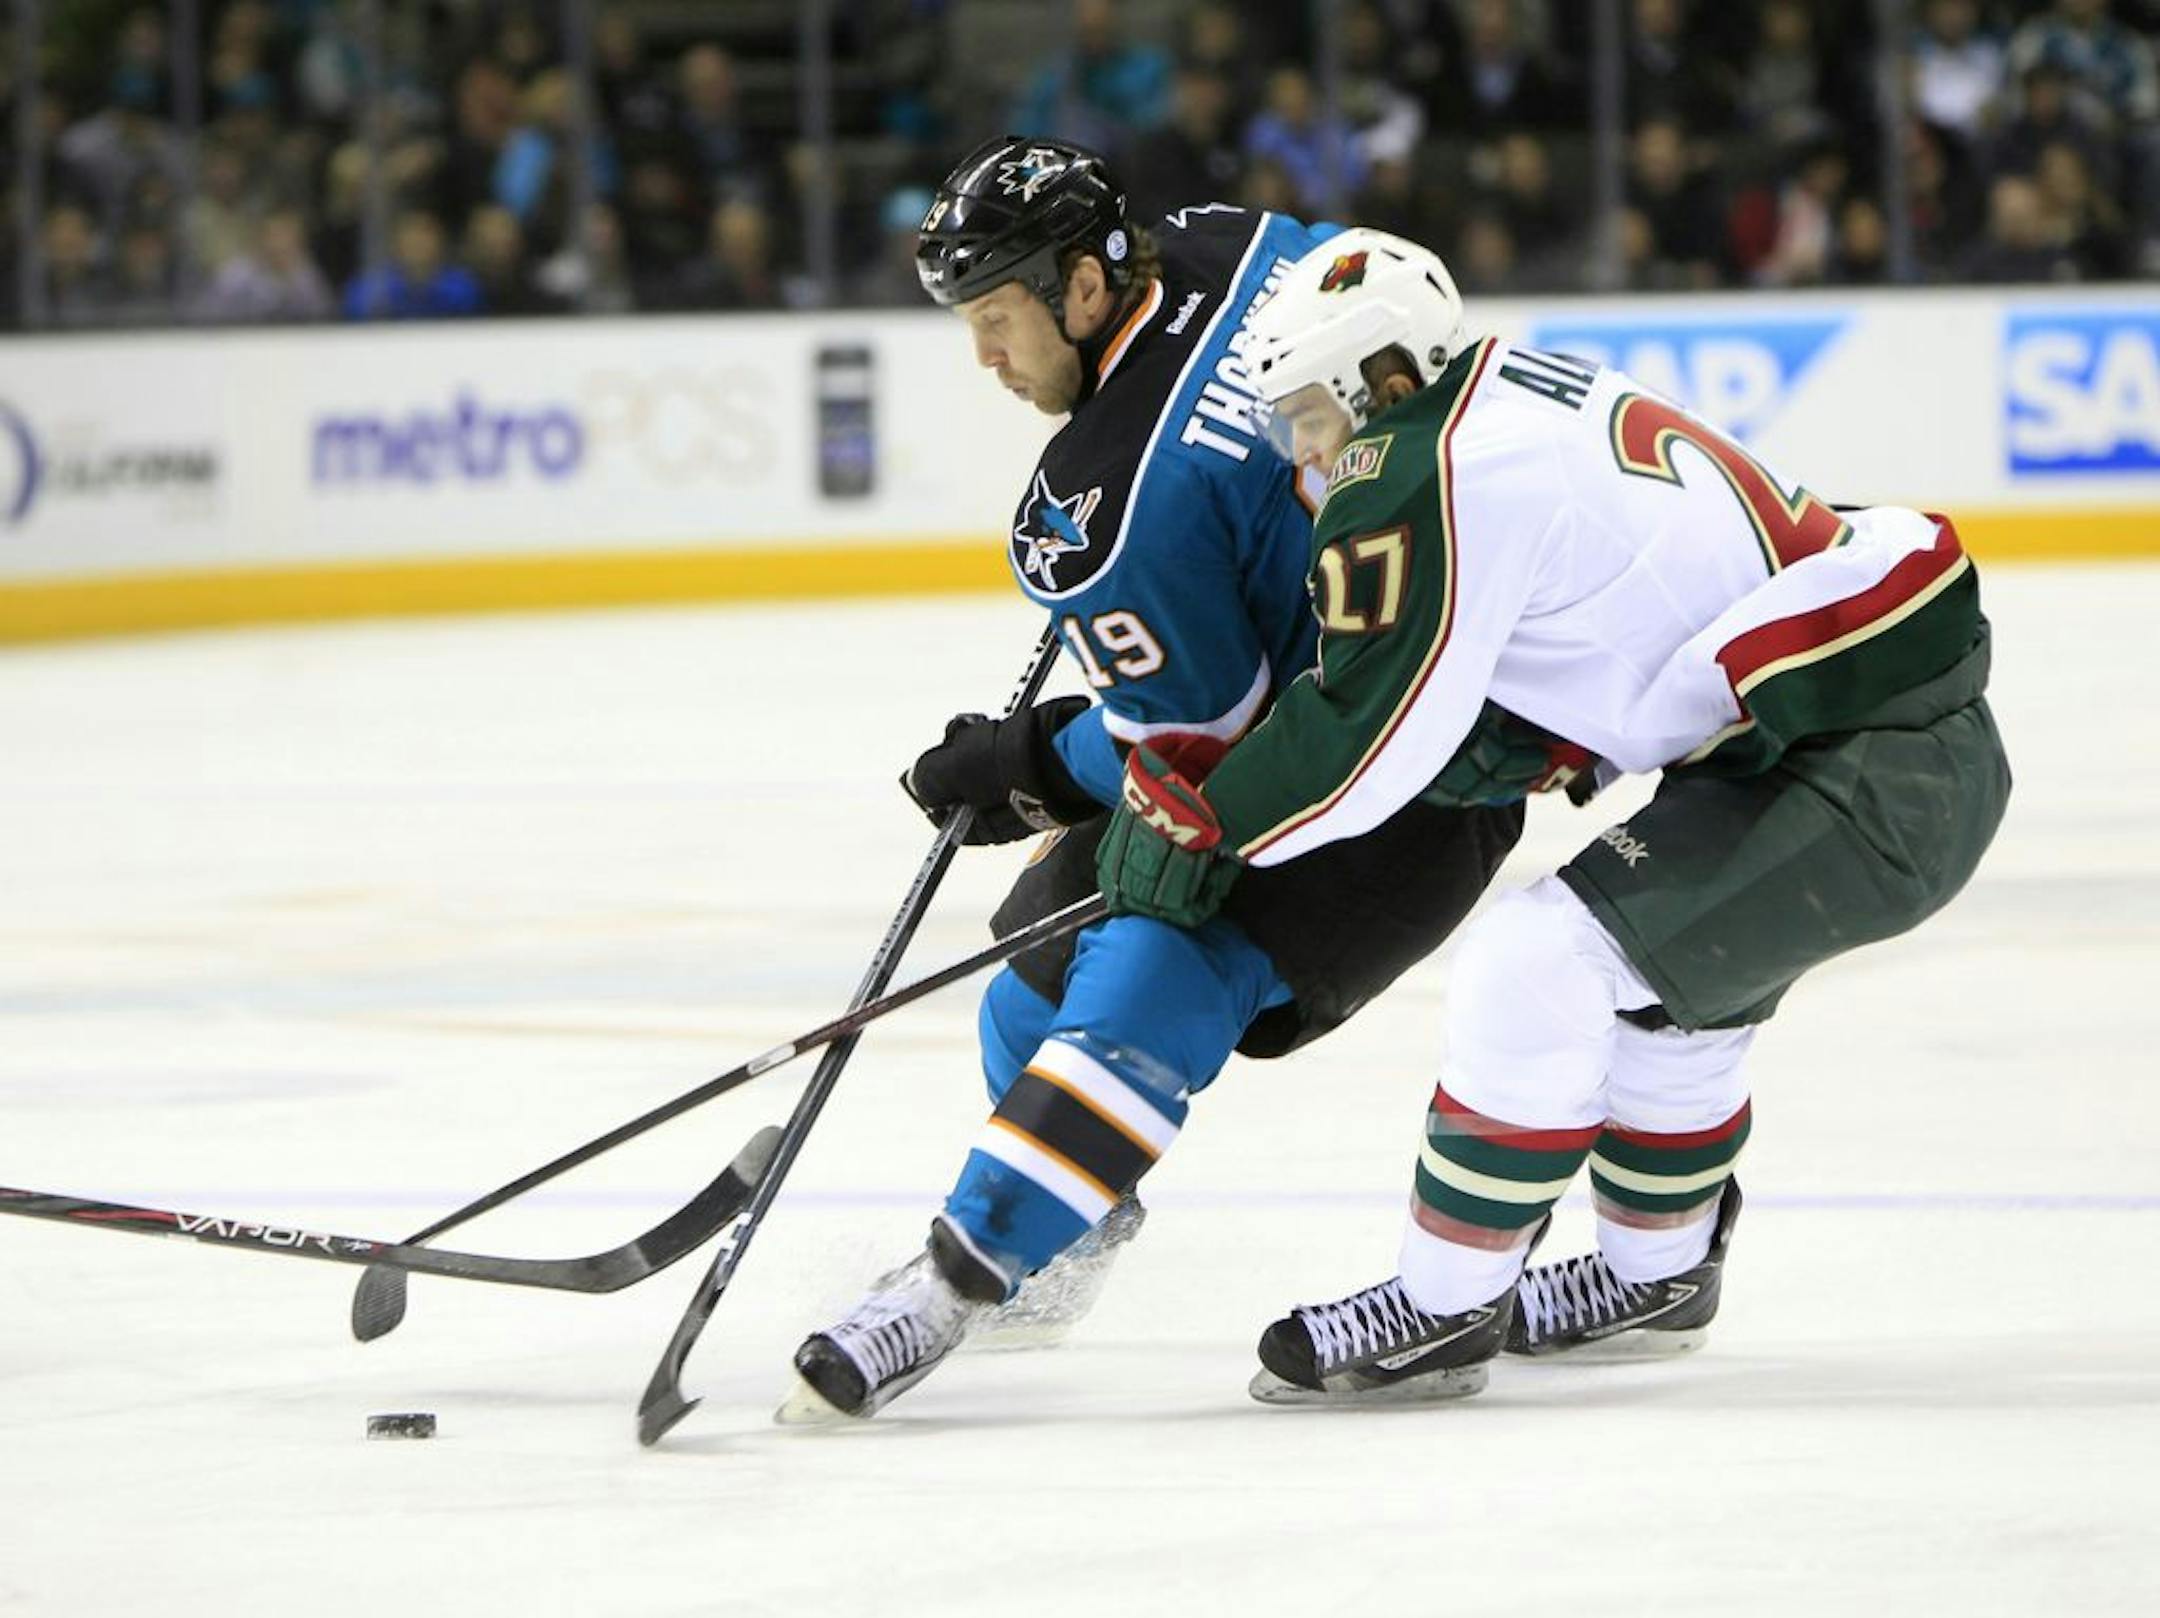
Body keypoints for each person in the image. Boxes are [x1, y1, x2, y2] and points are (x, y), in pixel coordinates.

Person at [1093, 228, 2010, 1405]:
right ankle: (1658, 1274)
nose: (1300, 454)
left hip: (1873, 770)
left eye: (1308, 418)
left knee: (1542, 959)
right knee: (1677, 1003)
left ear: (1380, 380)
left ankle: (1440, 1305)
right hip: (1862, 741)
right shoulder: (1508, 387)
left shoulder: (1422, 462)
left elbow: (1362, 738)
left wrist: (1205, 824)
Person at [782, 142, 1522, 1421]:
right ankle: (1076, 1217)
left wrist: (1027, 764)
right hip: (1407, 670)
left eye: (996, 322)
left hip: (1401, 783)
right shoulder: (1224, 239)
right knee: (1027, 988)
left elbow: (1197, 767)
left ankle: (955, 1278)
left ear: (1081, 286)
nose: (984, 359)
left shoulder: (1101, 510)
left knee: (1154, 959)